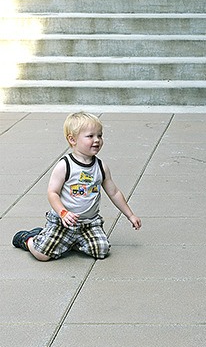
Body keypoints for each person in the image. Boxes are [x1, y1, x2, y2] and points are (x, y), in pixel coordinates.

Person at [12, 112, 141, 261]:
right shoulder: (65, 165)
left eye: (99, 135)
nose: (97, 140)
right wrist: (63, 212)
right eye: (90, 136)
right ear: (72, 140)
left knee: (101, 250)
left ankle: (69, 241)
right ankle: (29, 239)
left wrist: (130, 215)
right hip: (64, 222)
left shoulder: (100, 167)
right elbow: (52, 192)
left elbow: (114, 192)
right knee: (43, 255)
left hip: (89, 223)